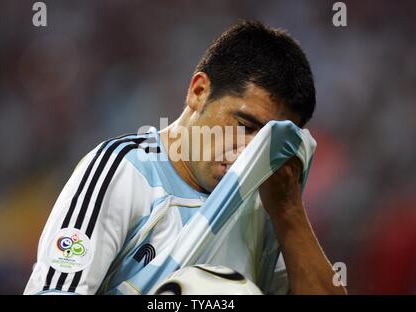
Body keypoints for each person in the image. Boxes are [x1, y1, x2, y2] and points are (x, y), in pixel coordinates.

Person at [24, 20, 346, 295]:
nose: (249, 151)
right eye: (245, 125)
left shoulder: (264, 205)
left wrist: (289, 211)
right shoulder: (122, 172)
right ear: (198, 91)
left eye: (266, 141)